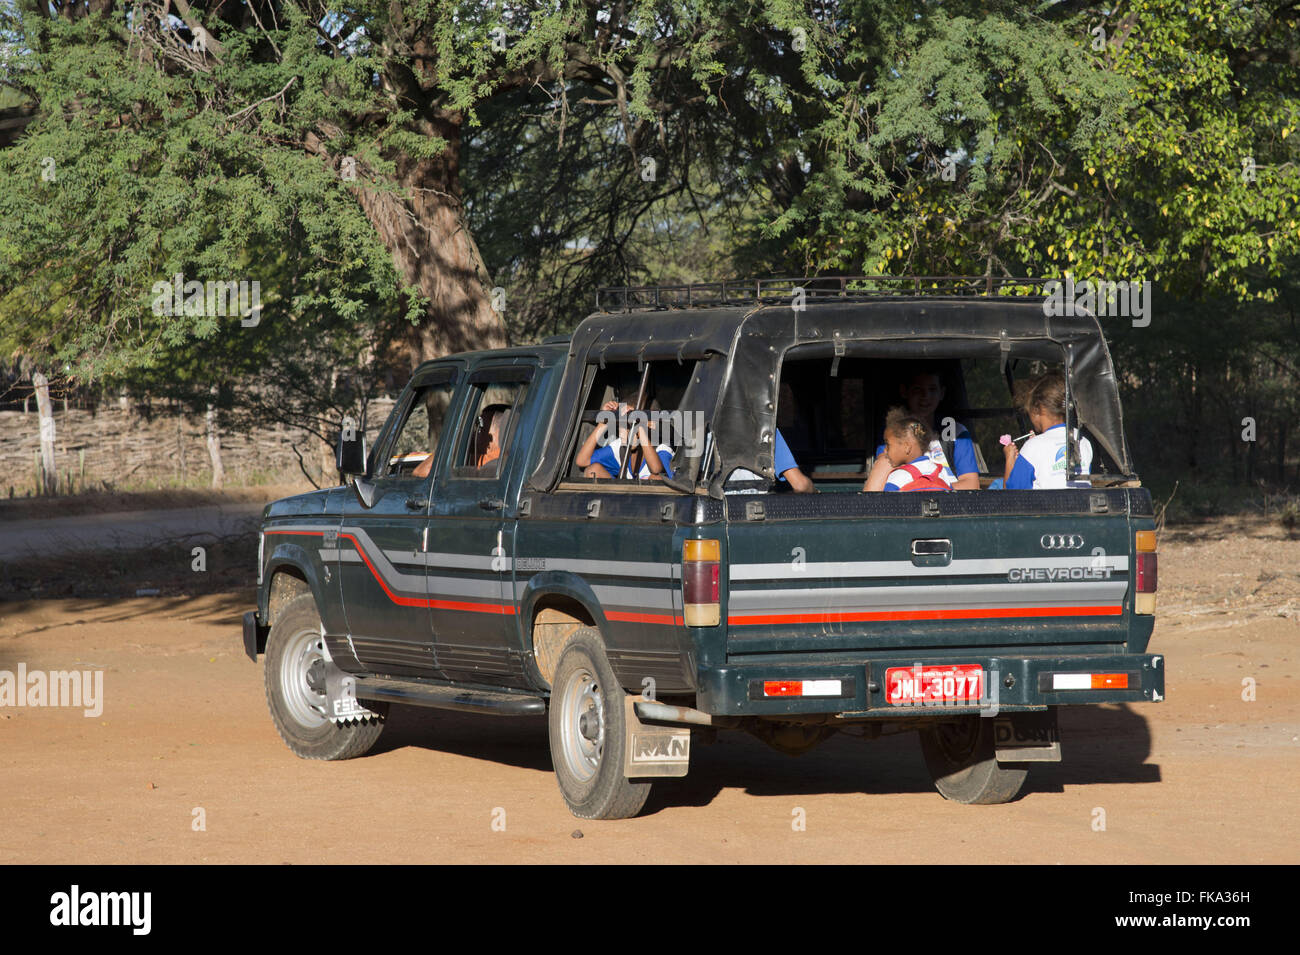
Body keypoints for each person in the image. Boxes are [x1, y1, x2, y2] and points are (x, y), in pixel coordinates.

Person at [863, 369, 979, 490]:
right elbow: (877, 485)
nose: (925, 396)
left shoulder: (955, 431)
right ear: (904, 391)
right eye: (917, 389)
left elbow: (971, 485)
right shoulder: (894, 437)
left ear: (942, 393)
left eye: (932, 389)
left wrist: (928, 488)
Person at [1002, 372, 1093, 489]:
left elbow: (1010, 496)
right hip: (1082, 506)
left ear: (1037, 409)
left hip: (1046, 507)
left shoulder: (1031, 448)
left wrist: (1010, 458)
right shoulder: (1083, 441)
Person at [576, 400, 674, 480]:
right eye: (621, 426)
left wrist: (640, 427)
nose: (623, 433)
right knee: (593, 470)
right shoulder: (620, 447)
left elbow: (656, 470)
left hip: (651, 502)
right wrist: (604, 422)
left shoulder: (661, 449)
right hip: (623, 501)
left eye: (630, 426)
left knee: (655, 478)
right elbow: (582, 461)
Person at [866, 409, 956, 492]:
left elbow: (888, 506)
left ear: (907, 447)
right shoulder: (941, 471)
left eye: (888, 445)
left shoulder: (898, 476)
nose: (885, 451)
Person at [725, 428, 816, 492]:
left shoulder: (711, 424)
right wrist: (814, 491)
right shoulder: (766, 427)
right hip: (758, 509)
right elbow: (801, 486)